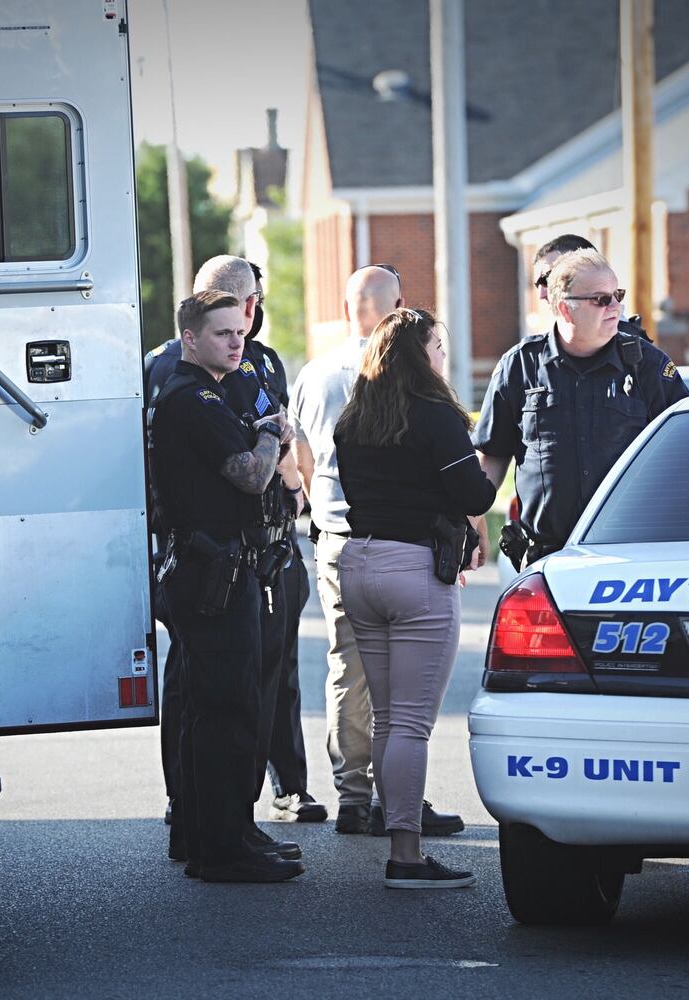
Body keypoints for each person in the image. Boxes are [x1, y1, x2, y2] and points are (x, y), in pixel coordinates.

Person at [147, 257, 325, 830]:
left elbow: (286, 430)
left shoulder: (263, 359)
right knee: (201, 688)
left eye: (249, 302)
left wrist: (299, 489)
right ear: (198, 307)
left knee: (272, 673)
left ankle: (281, 788)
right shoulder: (167, 369)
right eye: (229, 303)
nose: (243, 317)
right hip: (205, 548)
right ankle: (195, 806)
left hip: (270, 539)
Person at [290, 265, 467, 838]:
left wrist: (323, 514)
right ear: (401, 307)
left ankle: (352, 796)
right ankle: (400, 807)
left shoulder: (314, 374)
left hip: (338, 541)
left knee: (348, 669)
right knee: (403, 697)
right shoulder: (408, 379)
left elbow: (303, 458)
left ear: (346, 307)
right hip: (406, 541)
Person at [332, 307, 495, 888]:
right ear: (421, 355)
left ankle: (398, 835)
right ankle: (405, 854)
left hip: (359, 561)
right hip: (414, 570)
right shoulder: (435, 417)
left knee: (386, 719)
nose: (443, 357)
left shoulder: (354, 420)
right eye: (439, 346)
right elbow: (474, 491)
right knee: (411, 725)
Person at [474, 249, 689, 569]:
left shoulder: (647, 365)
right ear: (565, 308)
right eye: (601, 300)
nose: (616, 307)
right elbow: (492, 455)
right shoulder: (520, 365)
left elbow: (684, 453)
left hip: (631, 555)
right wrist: (471, 520)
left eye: (617, 295)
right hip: (546, 558)